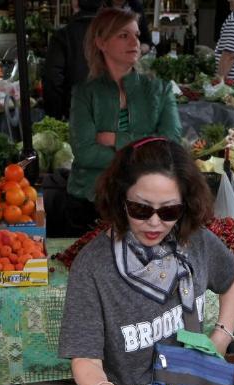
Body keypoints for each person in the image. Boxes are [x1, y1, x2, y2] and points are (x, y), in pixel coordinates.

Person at [58, 138, 234, 385]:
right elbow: (85, 358)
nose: (155, 222)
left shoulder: (196, 241)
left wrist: (221, 337)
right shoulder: (93, 266)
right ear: (121, 199)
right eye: (142, 210)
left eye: (169, 211)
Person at [64, 7, 181, 237]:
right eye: (123, 35)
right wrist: (144, 150)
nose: (134, 42)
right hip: (90, 202)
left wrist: (116, 139)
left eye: (136, 35)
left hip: (148, 207)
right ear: (101, 42)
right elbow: (85, 153)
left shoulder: (161, 90)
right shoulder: (84, 94)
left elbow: (170, 146)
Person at [43, 0, 101, 120]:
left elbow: (52, 78)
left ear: (75, 3)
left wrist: (55, 116)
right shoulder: (116, 34)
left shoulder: (63, 36)